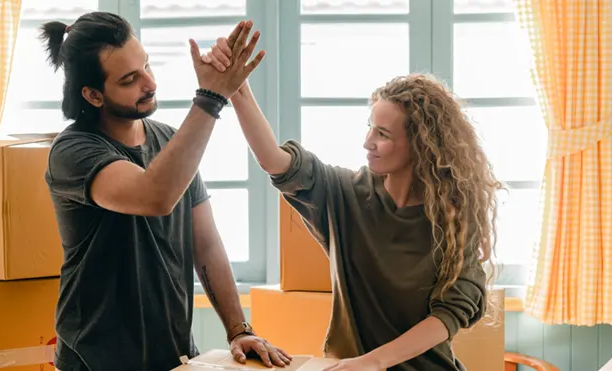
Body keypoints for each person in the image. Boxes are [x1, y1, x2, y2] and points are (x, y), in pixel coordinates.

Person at [202, 38, 502, 371]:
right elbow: (275, 160)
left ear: (421, 146)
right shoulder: (345, 193)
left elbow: (450, 313)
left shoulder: (454, 217)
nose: (367, 142)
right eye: (369, 127)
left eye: (383, 134)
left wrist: (372, 362)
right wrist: (238, 88)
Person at [40, 13, 291, 371]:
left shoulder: (170, 140)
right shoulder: (73, 152)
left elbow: (205, 242)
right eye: (130, 79)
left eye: (147, 66)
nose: (150, 83)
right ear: (94, 95)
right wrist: (211, 96)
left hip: (173, 353)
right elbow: (154, 197)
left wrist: (238, 330)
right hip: (95, 360)